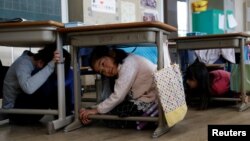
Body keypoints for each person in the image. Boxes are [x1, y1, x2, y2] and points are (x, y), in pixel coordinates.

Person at [79, 46, 158, 128]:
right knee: (110, 110)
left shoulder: (128, 63)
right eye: (102, 71)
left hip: (151, 102)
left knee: (111, 114)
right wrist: (95, 109)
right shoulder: (122, 66)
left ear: (111, 54)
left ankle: (148, 121)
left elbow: (118, 96)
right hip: (145, 100)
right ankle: (92, 113)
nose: (106, 71)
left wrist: (96, 110)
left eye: (103, 63)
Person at [1, 45, 74, 123]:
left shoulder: (32, 62)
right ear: (40, 62)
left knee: (56, 89)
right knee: (51, 92)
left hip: (21, 108)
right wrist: (51, 66)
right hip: (13, 113)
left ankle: (66, 114)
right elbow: (28, 88)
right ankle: (65, 116)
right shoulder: (23, 64)